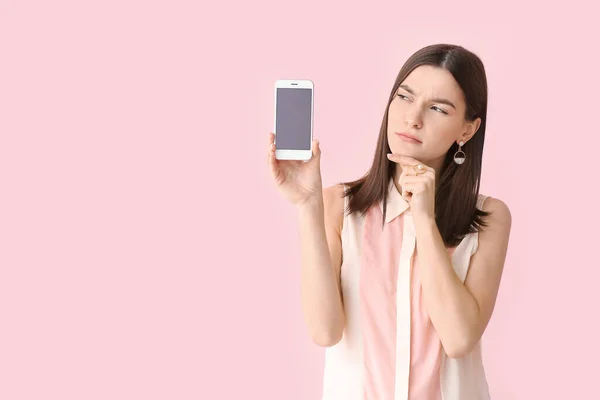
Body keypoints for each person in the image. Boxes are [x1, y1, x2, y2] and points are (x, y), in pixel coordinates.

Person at [267, 43, 512, 400]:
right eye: (404, 97)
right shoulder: (340, 206)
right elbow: (325, 331)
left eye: (438, 108)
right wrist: (308, 204)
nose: (413, 118)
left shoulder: (489, 218)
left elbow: (459, 339)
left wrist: (424, 220)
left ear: (467, 130)